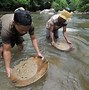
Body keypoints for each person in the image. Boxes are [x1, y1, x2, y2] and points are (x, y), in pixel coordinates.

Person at [0, 7, 44, 78]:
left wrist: (38, 52)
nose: (25, 32)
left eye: (26, 30)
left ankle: (19, 56)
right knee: (2, 48)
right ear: (15, 23)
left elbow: (33, 38)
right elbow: (7, 50)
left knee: (21, 45)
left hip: (15, 30)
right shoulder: (6, 30)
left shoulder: (29, 25)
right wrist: (7, 68)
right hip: (2, 28)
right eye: (22, 30)